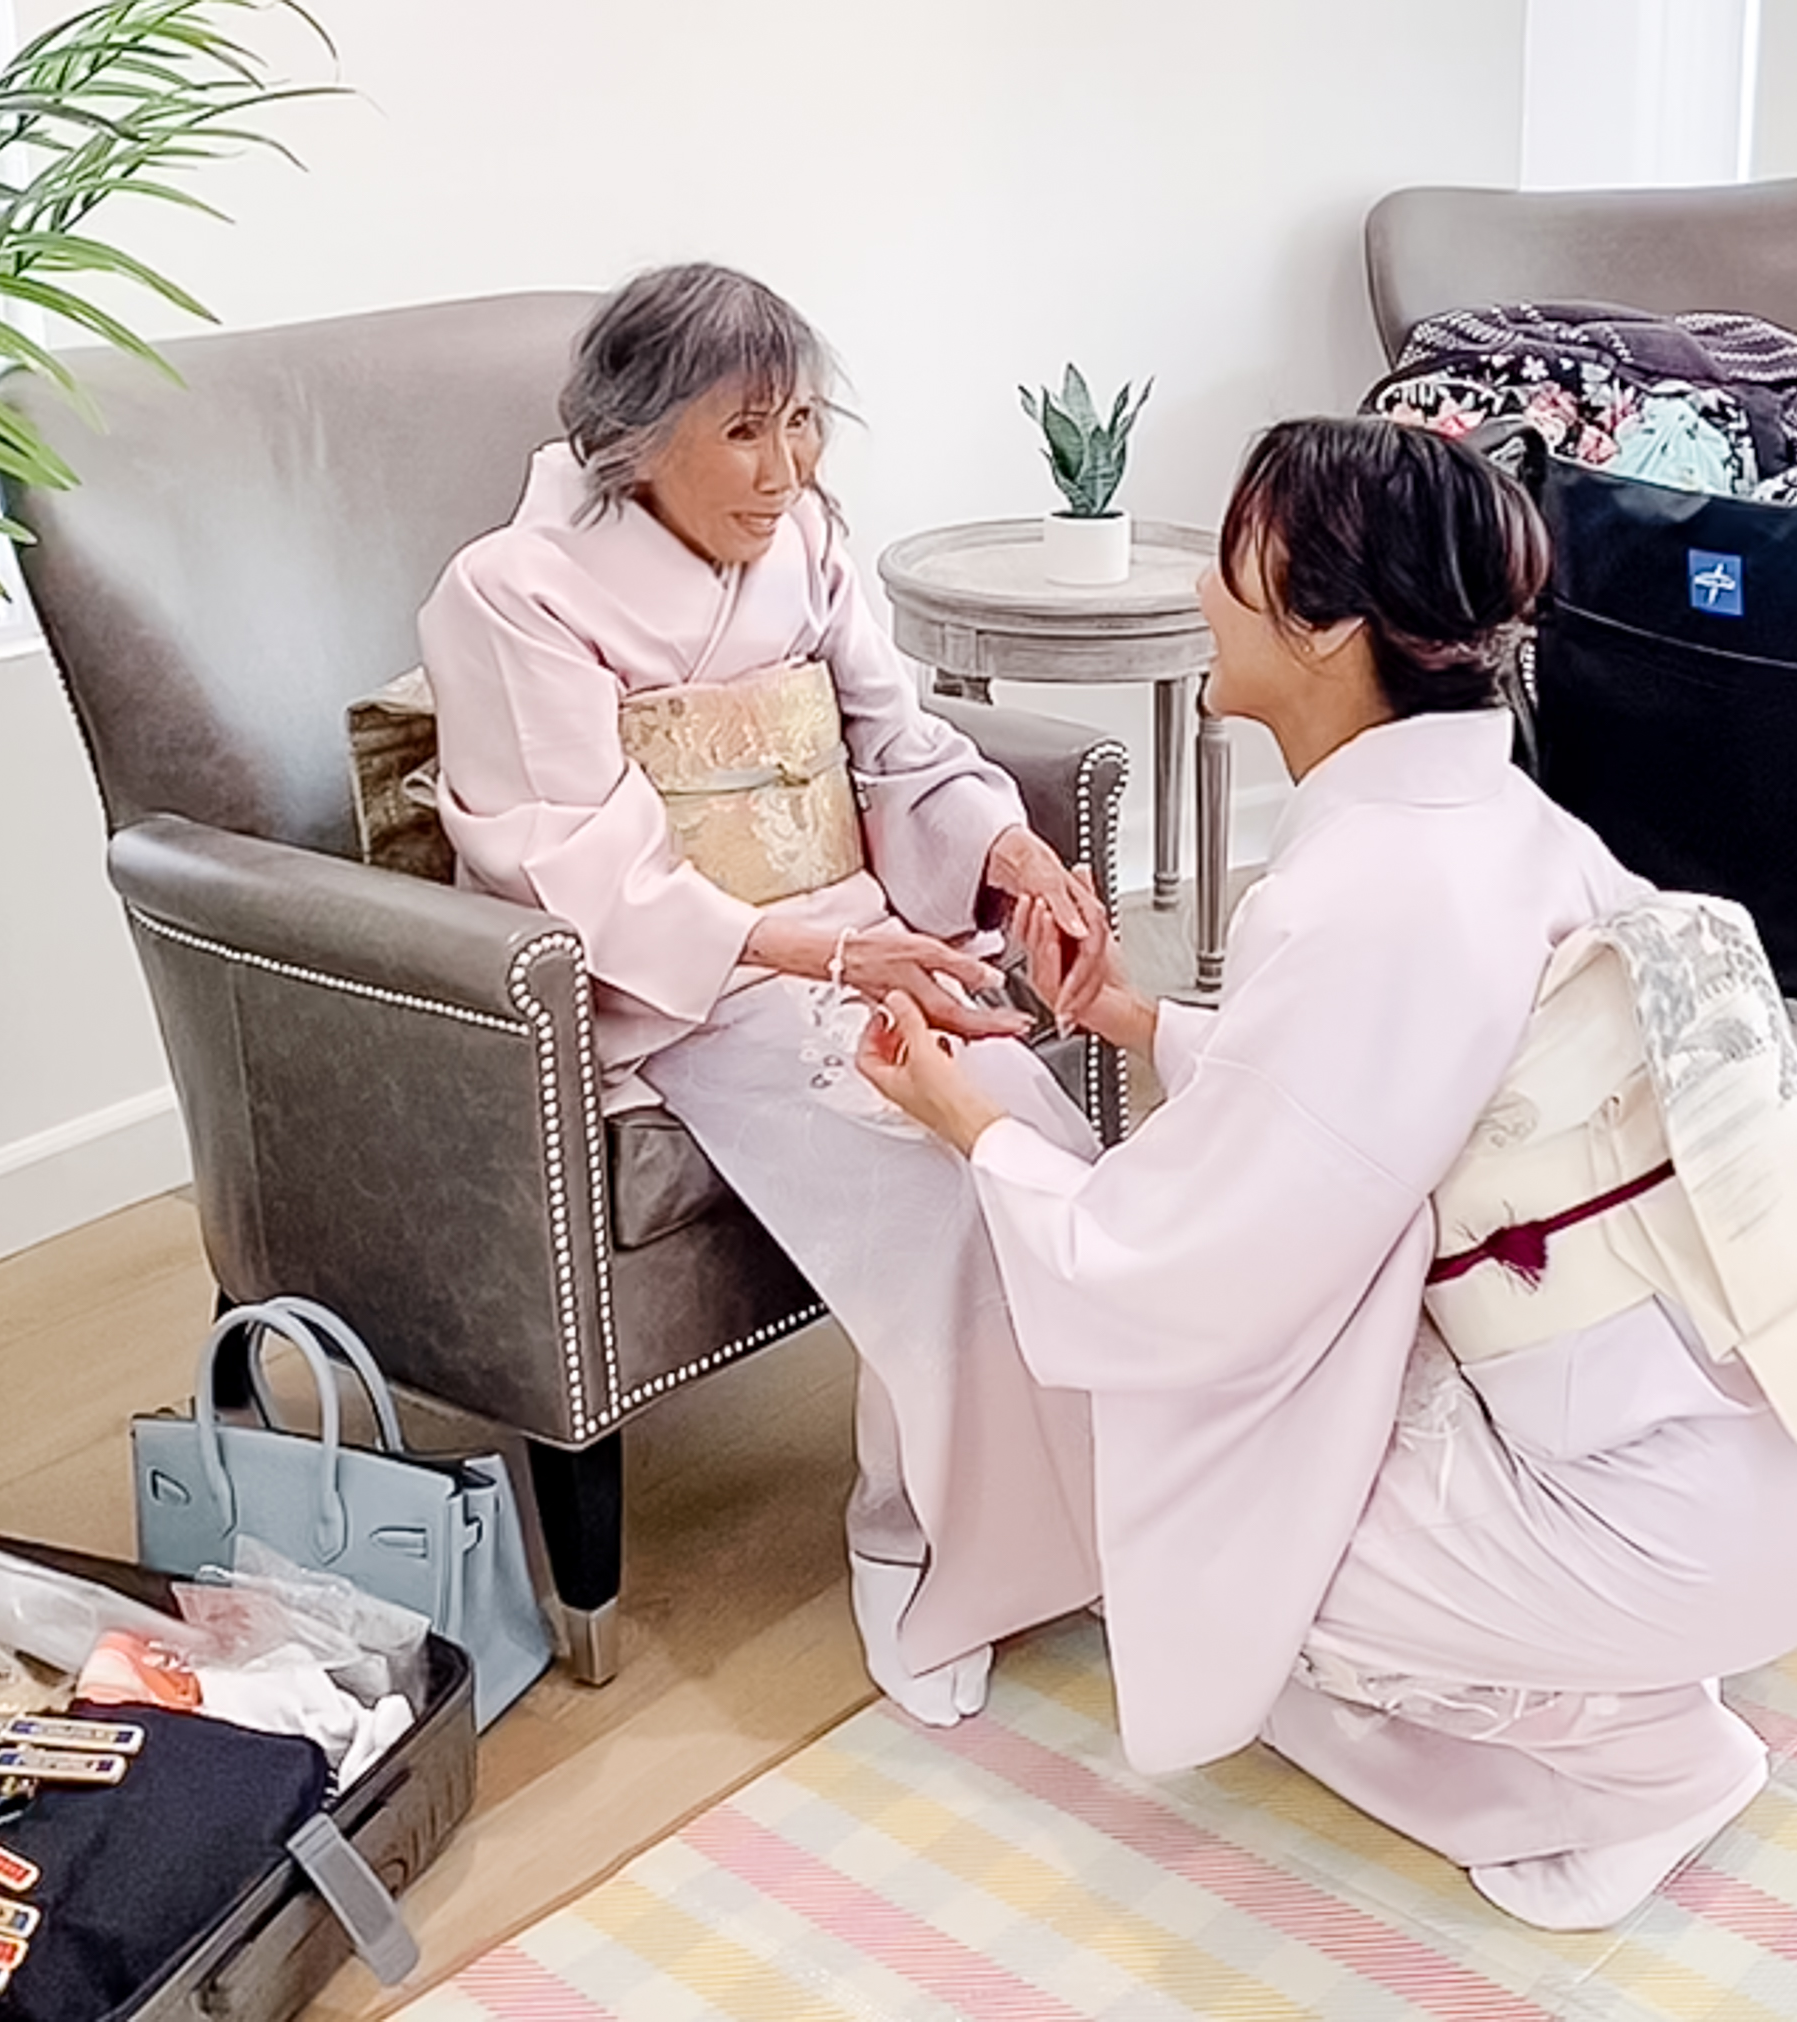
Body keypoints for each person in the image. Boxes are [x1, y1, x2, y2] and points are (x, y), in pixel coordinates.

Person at [858, 415, 1797, 1930]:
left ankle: (1647, 1758)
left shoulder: (1377, 886)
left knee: (1219, 1501)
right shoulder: (1491, 820)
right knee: (1268, 1432)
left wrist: (978, 1122)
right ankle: (1621, 1703)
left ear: (1330, 626)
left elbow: (1187, 1269)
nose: (1205, 590)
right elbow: (1361, 1093)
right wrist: (1123, 1013)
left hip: (1681, 1519)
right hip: (1786, 1433)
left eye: (1235, 560)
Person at [417, 263, 1112, 1727]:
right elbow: (579, 865)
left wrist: (1005, 846)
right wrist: (828, 957)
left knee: (1036, 1145)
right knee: (930, 1182)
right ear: (632, 433)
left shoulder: (806, 542)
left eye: (803, 424)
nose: (785, 468)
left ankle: (1087, 1515)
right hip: (682, 989)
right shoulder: (512, 593)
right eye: (745, 432)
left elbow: (897, 743)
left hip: (852, 926)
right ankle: (912, 1550)